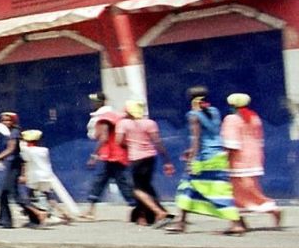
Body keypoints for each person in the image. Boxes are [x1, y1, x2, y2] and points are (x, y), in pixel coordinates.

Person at [167, 87, 241, 235]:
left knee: (187, 185)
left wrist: (192, 160)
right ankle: (180, 222)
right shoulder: (214, 111)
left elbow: (196, 139)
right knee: (218, 189)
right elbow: (212, 133)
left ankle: (236, 223)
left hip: (205, 157)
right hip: (218, 155)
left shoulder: (193, 115)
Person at [221, 92, 283, 230]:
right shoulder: (254, 118)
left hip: (238, 161)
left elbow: (231, 143)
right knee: (245, 190)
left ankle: (270, 208)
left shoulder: (231, 119)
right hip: (254, 159)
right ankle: (239, 221)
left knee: (241, 192)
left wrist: (223, 158)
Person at [115, 100, 174, 227]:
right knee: (146, 186)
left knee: (136, 189)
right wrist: (167, 161)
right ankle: (144, 217)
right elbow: (157, 142)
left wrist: (129, 144)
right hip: (150, 158)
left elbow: (118, 141)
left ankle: (159, 212)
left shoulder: (123, 123)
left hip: (136, 158)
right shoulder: (150, 123)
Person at [0, 111, 45, 228]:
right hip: (9, 164)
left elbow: (11, 149)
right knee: (9, 194)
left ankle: (37, 214)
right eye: (3, 120)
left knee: (7, 193)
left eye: (8, 120)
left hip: (12, 165)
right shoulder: (8, 132)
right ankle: (8, 220)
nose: (5, 122)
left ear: (13, 121)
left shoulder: (15, 132)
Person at [19, 129, 78, 224]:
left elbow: (25, 161)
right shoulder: (44, 150)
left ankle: (35, 212)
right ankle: (64, 214)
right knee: (49, 197)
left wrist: (23, 175)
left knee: (27, 196)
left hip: (34, 176)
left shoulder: (27, 151)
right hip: (46, 176)